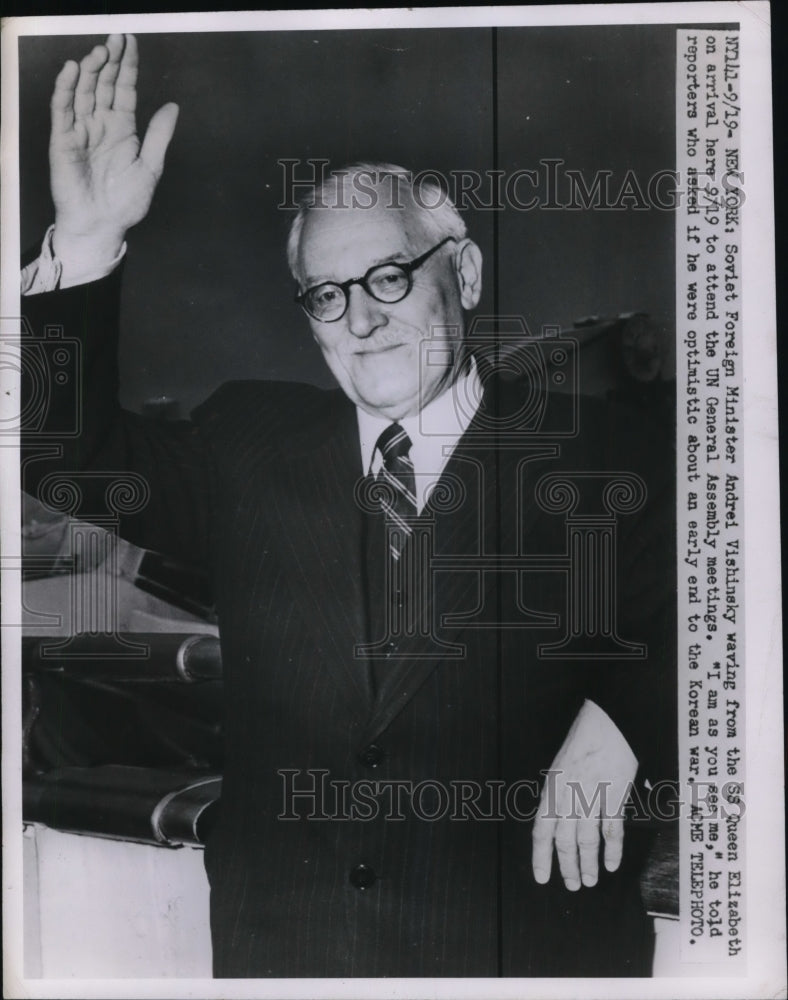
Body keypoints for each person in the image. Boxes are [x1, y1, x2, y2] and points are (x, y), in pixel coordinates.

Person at [21, 34, 675, 977]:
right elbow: (63, 455)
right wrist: (84, 242)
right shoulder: (248, 442)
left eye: (389, 277)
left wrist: (626, 720)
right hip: (290, 956)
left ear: (466, 274)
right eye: (326, 295)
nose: (361, 319)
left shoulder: (612, 454)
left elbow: (727, 615)